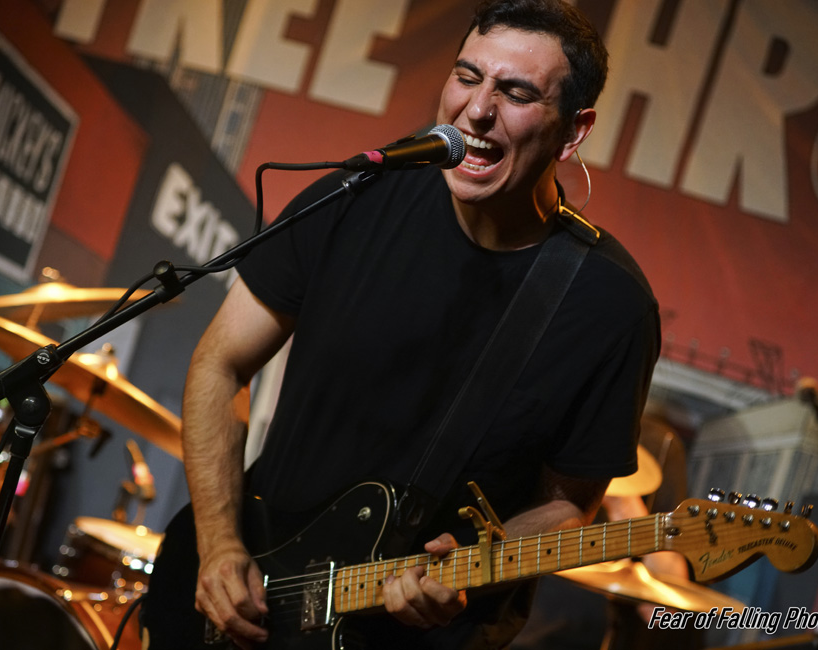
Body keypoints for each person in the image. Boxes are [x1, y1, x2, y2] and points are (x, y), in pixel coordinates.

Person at [144, 1, 660, 648]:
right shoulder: (357, 197)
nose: (476, 109)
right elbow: (219, 363)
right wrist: (219, 546)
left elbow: (569, 504)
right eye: (467, 77)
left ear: (572, 130)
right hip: (251, 594)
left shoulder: (607, 304)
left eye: (516, 92)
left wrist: (473, 564)